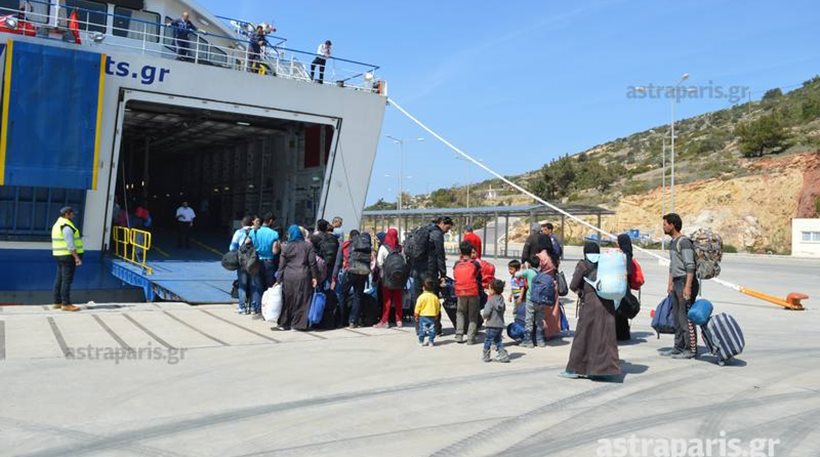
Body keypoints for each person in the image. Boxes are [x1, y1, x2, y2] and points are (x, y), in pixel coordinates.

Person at [561, 242, 620, 380]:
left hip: (590, 304)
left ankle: (574, 369)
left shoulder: (583, 265)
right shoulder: (606, 264)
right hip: (608, 304)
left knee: (583, 337)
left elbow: (573, 285)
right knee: (604, 337)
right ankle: (604, 371)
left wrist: (581, 292)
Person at [661, 213, 699, 359]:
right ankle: (678, 347)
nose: (663, 227)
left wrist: (687, 287)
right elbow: (673, 265)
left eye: (665, 224)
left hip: (685, 281)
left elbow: (690, 266)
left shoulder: (684, 242)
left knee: (686, 317)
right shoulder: (673, 242)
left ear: (672, 225)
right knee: (676, 317)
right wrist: (670, 283)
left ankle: (691, 349)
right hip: (677, 282)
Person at [273, 225, 320, 331]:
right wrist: (314, 277)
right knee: (303, 300)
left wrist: (278, 280)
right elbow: (312, 263)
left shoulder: (286, 246)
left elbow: (281, 265)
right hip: (303, 275)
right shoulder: (308, 246)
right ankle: (298, 324)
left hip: (289, 276)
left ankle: (285, 323)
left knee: (288, 299)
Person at [51, 206, 83, 312]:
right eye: (72, 213)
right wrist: (76, 258)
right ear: (67, 214)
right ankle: (66, 304)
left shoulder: (57, 224)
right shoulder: (66, 226)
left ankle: (57, 302)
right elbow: (70, 244)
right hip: (67, 256)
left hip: (59, 255)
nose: (73, 215)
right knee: (67, 280)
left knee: (59, 278)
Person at [453, 241, 482, 344]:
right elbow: (478, 276)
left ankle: (459, 335)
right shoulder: (475, 264)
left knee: (460, 313)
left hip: (460, 291)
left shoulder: (457, 264)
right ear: (471, 252)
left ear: (460, 251)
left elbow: (455, 277)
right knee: (473, 315)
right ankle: (470, 338)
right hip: (473, 291)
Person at [516, 256, 547, 348]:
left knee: (529, 319)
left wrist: (523, 268)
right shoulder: (541, 273)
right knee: (539, 320)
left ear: (529, 264)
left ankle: (528, 341)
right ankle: (540, 340)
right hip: (541, 300)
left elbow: (517, 275)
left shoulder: (529, 272)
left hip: (531, 299)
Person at [375, 228, 404, 328]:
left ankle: (385, 321)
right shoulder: (400, 248)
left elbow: (379, 262)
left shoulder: (383, 247)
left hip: (386, 277)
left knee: (387, 300)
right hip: (399, 277)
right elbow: (403, 262)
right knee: (398, 299)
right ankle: (399, 320)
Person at [229, 216, 256, 314]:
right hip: (254, 262)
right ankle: (253, 307)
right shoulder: (256, 232)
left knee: (242, 285)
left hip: (242, 262)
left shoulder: (239, 232)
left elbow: (232, 247)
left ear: (242, 223)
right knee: (254, 284)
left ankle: (242, 307)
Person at [482, 279, 510, 363]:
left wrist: (484, 317)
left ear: (493, 290)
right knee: (497, 340)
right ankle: (503, 355)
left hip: (491, 324)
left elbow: (487, 312)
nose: (488, 290)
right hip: (500, 324)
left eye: (489, 288)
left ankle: (486, 356)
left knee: (488, 340)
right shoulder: (501, 299)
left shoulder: (491, 300)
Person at [615, 234, 636, 341]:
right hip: (625, 285)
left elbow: (626, 271)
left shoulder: (624, 255)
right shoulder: (629, 254)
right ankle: (623, 333)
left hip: (621, 285)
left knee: (619, 309)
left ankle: (621, 334)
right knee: (621, 310)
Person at [414, 278, 441, 347]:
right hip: (432, 315)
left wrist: (416, 314)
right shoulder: (435, 297)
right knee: (432, 329)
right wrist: (437, 314)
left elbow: (417, 307)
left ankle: (421, 341)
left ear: (423, 288)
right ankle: (431, 341)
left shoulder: (421, 297)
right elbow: (438, 306)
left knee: (422, 329)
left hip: (423, 316)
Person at [258, 213, 281, 288]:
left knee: (257, 284)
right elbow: (275, 251)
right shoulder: (274, 233)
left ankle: (256, 299)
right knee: (269, 285)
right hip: (268, 261)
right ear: (271, 221)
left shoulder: (254, 231)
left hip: (256, 260)